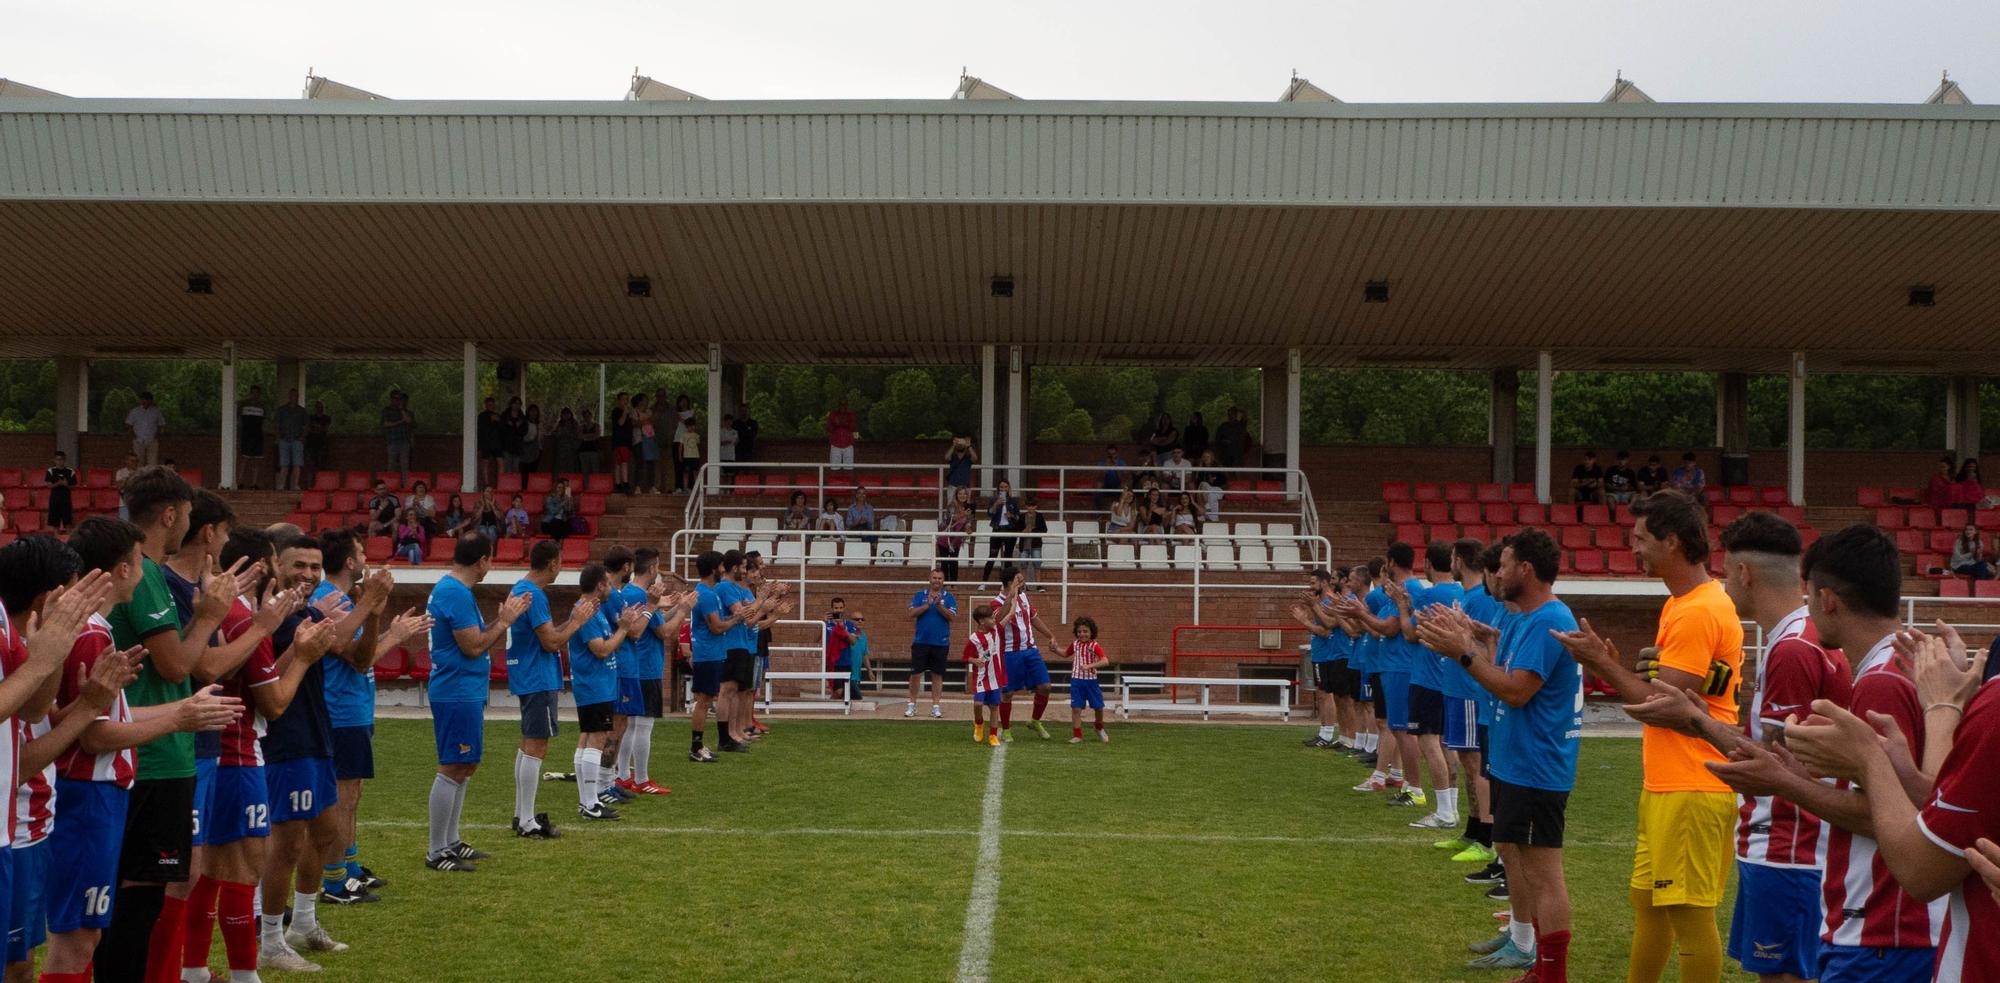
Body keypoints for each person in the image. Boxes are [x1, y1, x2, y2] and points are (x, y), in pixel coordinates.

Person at [1616, 512, 1853, 983]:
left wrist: (1697, 722)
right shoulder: (1802, 638)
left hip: (1787, 844)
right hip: (1795, 842)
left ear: (1744, 573)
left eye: (1727, 572)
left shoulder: (1793, 648)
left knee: (1778, 972)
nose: (1723, 582)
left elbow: (1779, 759)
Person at [1553, 490, 1741, 983]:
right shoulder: (1688, 603)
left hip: (1693, 783)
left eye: (1639, 538)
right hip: (1670, 782)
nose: (1632, 548)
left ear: (1672, 541)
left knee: (1688, 914)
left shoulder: (1698, 610)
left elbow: (1661, 708)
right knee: (1649, 904)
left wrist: (1601, 663)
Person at [1414, 528, 1580, 983]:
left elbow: (1518, 691)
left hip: (1536, 765)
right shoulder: (1523, 617)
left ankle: (1550, 972)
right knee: (1511, 852)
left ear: (1525, 569)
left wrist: (1464, 652)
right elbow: (1508, 673)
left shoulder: (1549, 618)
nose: (1497, 573)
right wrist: (1482, 640)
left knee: (1544, 873)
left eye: (1504, 565)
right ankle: (1526, 945)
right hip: (1515, 759)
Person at [93, 467, 236, 980]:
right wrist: (211, 615)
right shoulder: (147, 572)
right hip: (154, 755)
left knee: (133, 898)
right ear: (171, 514)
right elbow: (178, 666)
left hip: (146, 748)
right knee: (140, 899)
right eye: (189, 515)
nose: (190, 525)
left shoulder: (141, 571)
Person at [315, 532, 417, 917]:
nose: (365, 557)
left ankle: (350, 867)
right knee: (342, 796)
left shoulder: (344, 600)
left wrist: (388, 627)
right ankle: (336, 879)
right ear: (349, 563)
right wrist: (395, 635)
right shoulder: (330, 601)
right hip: (340, 710)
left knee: (351, 794)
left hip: (353, 708)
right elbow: (361, 658)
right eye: (360, 552)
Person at [422, 533, 532, 871]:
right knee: (454, 764)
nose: (491, 566)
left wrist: (497, 622)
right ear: (482, 560)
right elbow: (472, 646)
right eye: (490, 559)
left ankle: (451, 841)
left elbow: (472, 637)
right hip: (456, 689)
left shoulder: (454, 590)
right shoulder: (454, 592)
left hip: (462, 688)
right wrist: (505, 621)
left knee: (465, 764)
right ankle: (436, 850)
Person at [505, 540, 597, 837]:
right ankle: (527, 821)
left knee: (527, 744)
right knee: (536, 745)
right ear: (553, 564)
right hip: (537, 677)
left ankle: (521, 814)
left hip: (528, 675)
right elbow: (551, 642)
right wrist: (577, 621)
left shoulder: (519, 588)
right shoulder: (533, 594)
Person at [566, 562, 649, 822]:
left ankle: (588, 800)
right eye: (608, 583)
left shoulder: (594, 610)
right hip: (593, 685)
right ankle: (590, 802)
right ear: (600, 585)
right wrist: (624, 627)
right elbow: (601, 649)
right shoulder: (586, 612)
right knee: (597, 740)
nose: (611, 588)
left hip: (599, 683)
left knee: (593, 738)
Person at [992, 565, 1060, 741]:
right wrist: (1011, 595)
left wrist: (1050, 635)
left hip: (1030, 650)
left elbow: (1033, 618)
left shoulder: (1025, 598)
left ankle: (1035, 721)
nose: (1023, 583)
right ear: (1009, 582)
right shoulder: (996, 602)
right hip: (1010, 652)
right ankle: (1006, 729)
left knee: (1045, 686)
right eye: (1019, 580)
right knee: (1007, 693)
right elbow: (999, 620)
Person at [906, 569, 957, 719]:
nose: (937, 580)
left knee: (937, 674)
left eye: (940, 578)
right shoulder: (920, 595)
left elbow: (952, 617)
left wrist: (939, 605)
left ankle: (935, 706)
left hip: (940, 642)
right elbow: (911, 613)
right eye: (934, 577)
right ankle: (912, 704)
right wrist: (927, 605)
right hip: (921, 641)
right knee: (915, 674)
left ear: (943, 581)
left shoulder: (949, 597)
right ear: (929, 579)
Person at [1065, 617, 1111, 744]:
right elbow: (1065, 654)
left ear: (1091, 632)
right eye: (1079, 631)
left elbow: (1105, 661)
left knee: (1099, 707)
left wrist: (1089, 666)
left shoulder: (1094, 645)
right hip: (1076, 681)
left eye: (1085, 631)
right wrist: (1054, 649)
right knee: (1076, 708)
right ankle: (1077, 735)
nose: (1082, 634)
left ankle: (1099, 727)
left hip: (1091, 681)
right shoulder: (1075, 644)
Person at [965, 606, 1005, 747]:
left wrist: (1013, 594)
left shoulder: (996, 631)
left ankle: (993, 735)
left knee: (994, 706)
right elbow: (966, 657)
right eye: (991, 618)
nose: (994, 620)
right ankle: (979, 723)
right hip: (981, 676)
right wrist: (974, 660)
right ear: (982, 621)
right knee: (978, 704)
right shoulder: (974, 639)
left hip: (994, 676)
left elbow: (1009, 614)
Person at [981, 481, 1021, 584]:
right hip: (997, 529)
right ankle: (983, 583)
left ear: (1009, 488)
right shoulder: (993, 500)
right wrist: (996, 504)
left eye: (1005, 487)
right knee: (992, 556)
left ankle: (1007, 584)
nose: (1003, 489)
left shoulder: (1013, 501)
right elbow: (989, 514)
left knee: (1008, 557)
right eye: (1001, 487)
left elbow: (1018, 517)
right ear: (998, 488)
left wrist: (1011, 515)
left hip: (1010, 530)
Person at [275, 389, 307, 492]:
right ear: (289, 396)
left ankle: (295, 485)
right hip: (284, 439)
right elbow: (277, 424)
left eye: (296, 396)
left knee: (297, 464)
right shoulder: (282, 410)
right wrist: (278, 437)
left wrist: (302, 437)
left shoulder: (302, 411)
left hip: (297, 440)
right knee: (284, 464)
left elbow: (306, 426)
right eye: (292, 395)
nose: (294, 397)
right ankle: (281, 485)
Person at [380, 391, 414, 487]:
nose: (397, 401)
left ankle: (405, 485)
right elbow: (386, 424)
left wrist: (402, 410)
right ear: (391, 399)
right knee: (391, 464)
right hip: (392, 441)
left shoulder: (407, 412)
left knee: (405, 465)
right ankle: (390, 484)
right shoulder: (386, 410)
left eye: (399, 399)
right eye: (395, 398)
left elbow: (408, 421)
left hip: (404, 441)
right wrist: (400, 421)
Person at [127, 391, 166, 465]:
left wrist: (158, 434)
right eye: (143, 400)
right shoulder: (135, 411)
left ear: (151, 401)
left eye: (147, 400)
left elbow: (162, 424)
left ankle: (151, 476)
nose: (145, 402)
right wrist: (133, 435)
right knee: (138, 462)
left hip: (152, 440)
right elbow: (129, 424)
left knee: (153, 462)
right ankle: (139, 477)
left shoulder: (156, 411)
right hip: (138, 440)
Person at [936, 502, 971, 583]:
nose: (962, 495)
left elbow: (967, 524)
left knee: (954, 562)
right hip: (944, 540)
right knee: (944, 563)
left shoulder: (968, 509)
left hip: (955, 542)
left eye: (964, 494)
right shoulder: (951, 506)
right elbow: (948, 520)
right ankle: (944, 583)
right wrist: (962, 514)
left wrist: (968, 529)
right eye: (960, 493)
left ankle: (953, 584)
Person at [1018, 498, 1049, 585]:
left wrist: (1032, 531)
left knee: (1037, 565)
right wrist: (1024, 531)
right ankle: (1022, 586)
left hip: (1036, 544)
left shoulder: (1039, 516)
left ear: (1036, 506)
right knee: (1023, 565)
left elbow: (1044, 529)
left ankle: (1038, 585)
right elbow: (1017, 529)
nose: (1031, 508)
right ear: (1026, 506)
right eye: (1029, 506)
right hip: (1024, 544)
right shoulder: (1022, 516)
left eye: (1032, 506)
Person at [44, 452, 76, 533]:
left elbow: (73, 487)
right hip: (54, 500)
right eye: (57, 459)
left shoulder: (70, 471)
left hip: (66, 500)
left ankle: (69, 541)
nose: (59, 461)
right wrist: (58, 483)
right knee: (55, 524)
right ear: (54, 460)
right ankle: (56, 541)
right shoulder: (50, 471)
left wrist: (66, 485)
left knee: (68, 523)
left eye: (61, 459)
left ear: (64, 460)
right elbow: (49, 485)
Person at [305, 400, 332, 487]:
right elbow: (308, 429)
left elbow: (325, 429)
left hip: (322, 445)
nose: (319, 408)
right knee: (310, 467)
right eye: (317, 406)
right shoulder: (311, 418)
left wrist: (317, 428)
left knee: (321, 467)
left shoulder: (326, 418)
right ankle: (309, 486)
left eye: (321, 407)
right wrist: (317, 428)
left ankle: (320, 485)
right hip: (311, 445)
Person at [609, 393, 632, 493]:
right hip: (619, 442)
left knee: (620, 463)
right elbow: (620, 423)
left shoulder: (627, 413)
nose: (626, 402)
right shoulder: (617, 411)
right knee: (622, 463)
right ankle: (624, 484)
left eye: (627, 399)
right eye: (623, 399)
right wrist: (625, 413)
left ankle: (619, 485)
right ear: (618, 401)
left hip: (625, 442)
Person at [826, 399, 858, 471]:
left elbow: (853, 428)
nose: (843, 407)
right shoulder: (833, 414)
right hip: (835, 444)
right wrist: (835, 424)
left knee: (849, 468)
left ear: (847, 406)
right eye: (841, 405)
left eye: (845, 405)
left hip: (848, 444)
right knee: (834, 468)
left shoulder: (851, 415)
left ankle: (848, 482)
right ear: (839, 406)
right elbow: (828, 428)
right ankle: (835, 482)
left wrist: (843, 423)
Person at [1195, 451, 1226, 522]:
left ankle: (1202, 513)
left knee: (1203, 486)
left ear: (1212, 458)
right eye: (1204, 457)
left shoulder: (1217, 467)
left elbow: (1224, 482)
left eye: (1208, 457)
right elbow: (1197, 482)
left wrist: (1214, 481)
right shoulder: (1201, 469)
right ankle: (1207, 508)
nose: (1205, 458)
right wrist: (1198, 469)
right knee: (1202, 486)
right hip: (1205, 490)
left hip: (1217, 489)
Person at [673, 416, 701, 494]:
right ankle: (685, 488)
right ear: (686, 426)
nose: (691, 427)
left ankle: (696, 489)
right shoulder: (683, 435)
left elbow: (698, 445)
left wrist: (699, 455)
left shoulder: (696, 435)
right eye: (689, 426)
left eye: (693, 426)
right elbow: (680, 446)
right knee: (686, 473)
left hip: (695, 456)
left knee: (695, 472)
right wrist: (680, 455)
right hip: (686, 456)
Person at [945, 437, 978, 501]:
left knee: (965, 507)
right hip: (953, 485)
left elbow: (975, 458)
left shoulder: (968, 458)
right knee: (952, 507)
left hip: (965, 486)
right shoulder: (953, 457)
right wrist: (953, 445)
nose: (960, 445)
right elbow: (946, 457)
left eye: (962, 444)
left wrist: (969, 446)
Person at [519, 405, 543, 475]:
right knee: (525, 472)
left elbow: (541, 438)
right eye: (532, 411)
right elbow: (523, 437)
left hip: (537, 451)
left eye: (535, 411)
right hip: (526, 451)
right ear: (528, 412)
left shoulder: (539, 423)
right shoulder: (525, 423)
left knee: (533, 472)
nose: (534, 413)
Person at [577, 408, 601, 477]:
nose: (587, 418)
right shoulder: (581, 426)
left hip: (594, 450)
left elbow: (597, 435)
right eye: (585, 416)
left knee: (595, 470)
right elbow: (579, 436)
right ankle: (586, 486)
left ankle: (595, 485)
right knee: (584, 471)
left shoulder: (596, 425)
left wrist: (585, 437)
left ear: (591, 416)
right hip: (583, 451)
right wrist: (590, 435)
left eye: (588, 416)